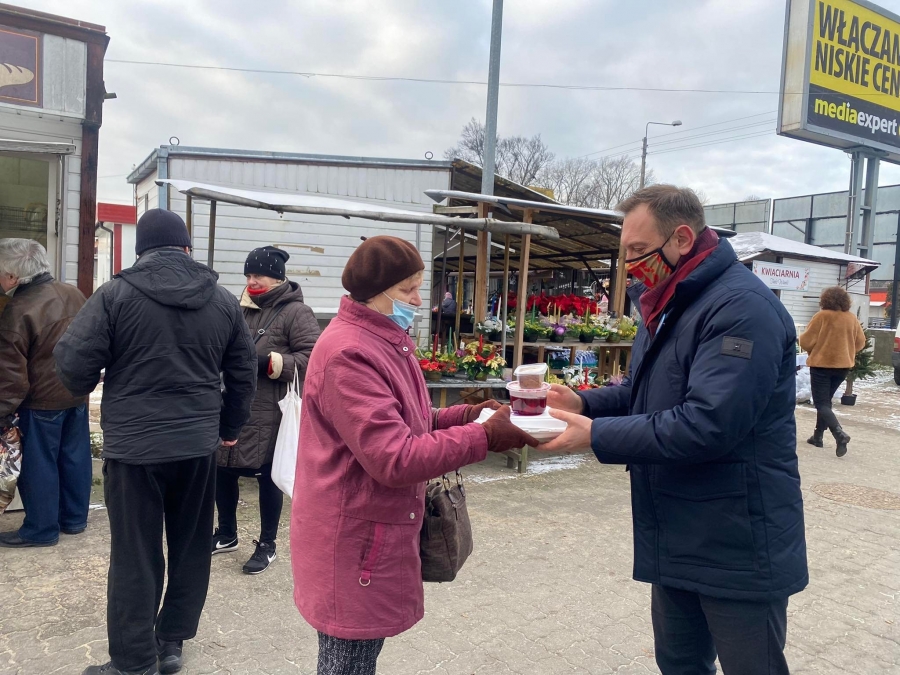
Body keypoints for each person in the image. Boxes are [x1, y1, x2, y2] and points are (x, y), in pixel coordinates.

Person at [542, 185, 807, 675]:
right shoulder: (670, 301)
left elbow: (708, 424)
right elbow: (645, 393)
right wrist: (582, 402)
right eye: (626, 252)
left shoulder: (741, 309)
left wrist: (595, 436)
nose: (630, 265)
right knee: (680, 663)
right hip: (678, 529)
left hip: (737, 538)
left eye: (639, 250)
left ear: (682, 238)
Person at [291, 235, 539, 675]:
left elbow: (412, 419)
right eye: (408, 290)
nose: (418, 300)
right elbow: (394, 457)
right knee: (346, 665)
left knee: (356, 661)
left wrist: (470, 415)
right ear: (376, 291)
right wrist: (484, 438)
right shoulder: (350, 353)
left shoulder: (382, 340)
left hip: (367, 537)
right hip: (351, 543)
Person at [54, 209, 256, 675]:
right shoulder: (223, 301)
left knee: (135, 555)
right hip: (197, 445)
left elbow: (73, 366)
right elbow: (243, 374)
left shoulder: (115, 295)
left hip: (134, 449)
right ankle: (171, 642)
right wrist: (229, 427)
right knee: (191, 546)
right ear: (186, 247)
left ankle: (134, 661)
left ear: (141, 250)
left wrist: (94, 378)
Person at [213, 246, 320, 574]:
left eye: (258, 274)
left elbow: (313, 360)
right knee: (222, 470)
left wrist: (269, 363)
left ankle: (267, 544)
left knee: (268, 476)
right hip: (234, 403)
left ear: (276, 277)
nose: (251, 281)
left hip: (271, 411)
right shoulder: (239, 306)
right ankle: (227, 534)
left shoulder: (297, 312)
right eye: (248, 275)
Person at [0, 239, 90, 548]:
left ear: (13, 276)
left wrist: (2, 412)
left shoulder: (18, 309)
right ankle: (74, 519)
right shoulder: (74, 293)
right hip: (75, 394)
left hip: (39, 402)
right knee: (74, 458)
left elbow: (10, 373)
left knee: (39, 465)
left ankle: (41, 529)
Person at [799, 286, 865, 457]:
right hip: (842, 366)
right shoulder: (851, 318)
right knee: (825, 401)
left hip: (822, 366)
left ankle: (839, 434)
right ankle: (817, 436)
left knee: (821, 403)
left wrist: (815, 348)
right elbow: (860, 342)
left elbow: (805, 341)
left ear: (825, 300)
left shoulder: (822, 316)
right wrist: (846, 351)